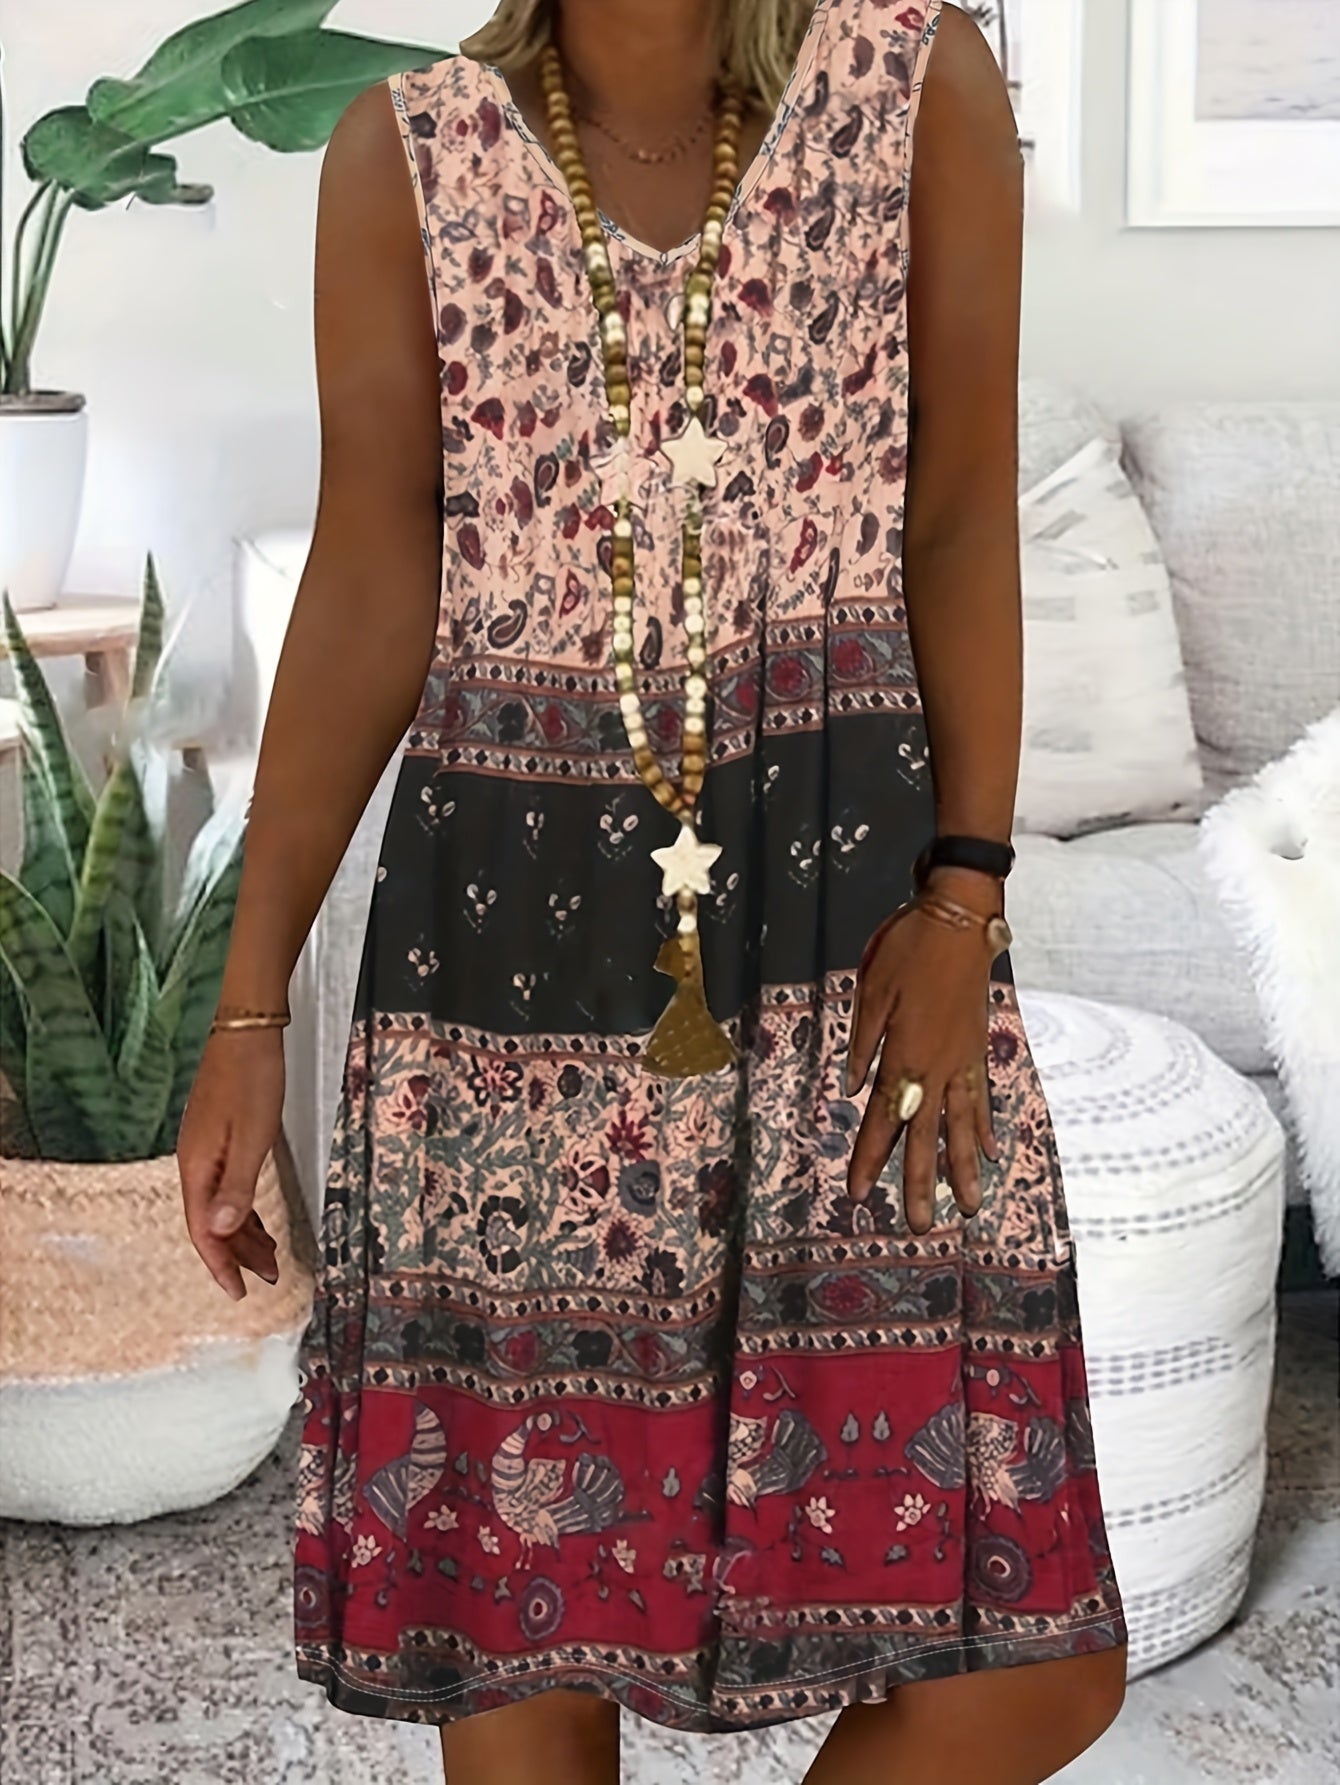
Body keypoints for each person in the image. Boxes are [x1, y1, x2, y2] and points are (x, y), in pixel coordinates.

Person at [177, 2, 1129, 1780]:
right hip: (500, 973)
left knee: (1032, 1659)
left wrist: (967, 893)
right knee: (523, 1629)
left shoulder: (911, 84)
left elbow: (957, 514)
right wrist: (244, 1008)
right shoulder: (409, 150)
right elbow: (372, 576)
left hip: (853, 944)